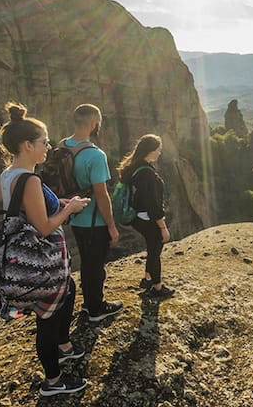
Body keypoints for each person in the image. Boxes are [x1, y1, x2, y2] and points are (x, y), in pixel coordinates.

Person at [0, 102, 91, 396]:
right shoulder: (30, 180)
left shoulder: (9, 174)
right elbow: (44, 227)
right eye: (44, 142)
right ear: (27, 145)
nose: (48, 147)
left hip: (27, 254)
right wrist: (69, 209)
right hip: (42, 257)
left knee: (69, 289)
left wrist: (58, 202)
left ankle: (64, 345)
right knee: (47, 318)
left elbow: (24, 209)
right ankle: (53, 381)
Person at [64, 103, 123, 322]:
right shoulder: (96, 155)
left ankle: (89, 303)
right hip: (94, 220)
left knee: (87, 261)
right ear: (93, 123)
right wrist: (111, 225)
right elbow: (102, 194)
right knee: (96, 265)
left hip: (73, 216)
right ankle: (96, 308)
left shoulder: (63, 146)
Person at [115, 134, 174, 299]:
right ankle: (157, 287)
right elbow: (152, 204)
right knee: (155, 249)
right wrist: (163, 227)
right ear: (150, 150)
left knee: (153, 247)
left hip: (137, 217)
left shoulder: (135, 166)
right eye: (158, 150)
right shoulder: (146, 173)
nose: (159, 153)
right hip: (146, 218)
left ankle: (148, 278)